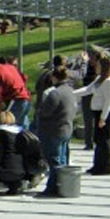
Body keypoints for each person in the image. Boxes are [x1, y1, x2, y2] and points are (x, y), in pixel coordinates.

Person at [75, 53, 110, 176]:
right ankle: (97, 165)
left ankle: (105, 167)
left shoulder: (109, 82)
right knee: (98, 139)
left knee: (103, 140)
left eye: (99, 66)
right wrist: (71, 93)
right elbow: (87, 89)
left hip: (105, 113)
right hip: (97, 112)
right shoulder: (99, 79)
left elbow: (109, 101)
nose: (96, 67)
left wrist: (103, 118)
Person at [37, 66, 78, 196]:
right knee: (63, 159)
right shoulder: (71, 91)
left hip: (54, 130)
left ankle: (53, 187)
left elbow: (45, 112)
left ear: (54, 77)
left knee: (54, 160)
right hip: (67, 128)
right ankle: (64, 186)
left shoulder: (55, 93)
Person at [0, 53, 31, 129]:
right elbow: (24, 78)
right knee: (23, 127)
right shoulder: (10, 67)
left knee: (9, 126)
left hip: (17, 100)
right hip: (26, 98)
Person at [80, 47, 102, 151]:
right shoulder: (86, 66)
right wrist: (84, 62)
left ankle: (101, 141)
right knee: (88, 120)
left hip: (98, 95)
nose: (91, 60)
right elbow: (81, 74)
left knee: (99, 119)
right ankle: (89, 142)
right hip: (87, 94)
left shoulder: (100, 68)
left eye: (93, 58)